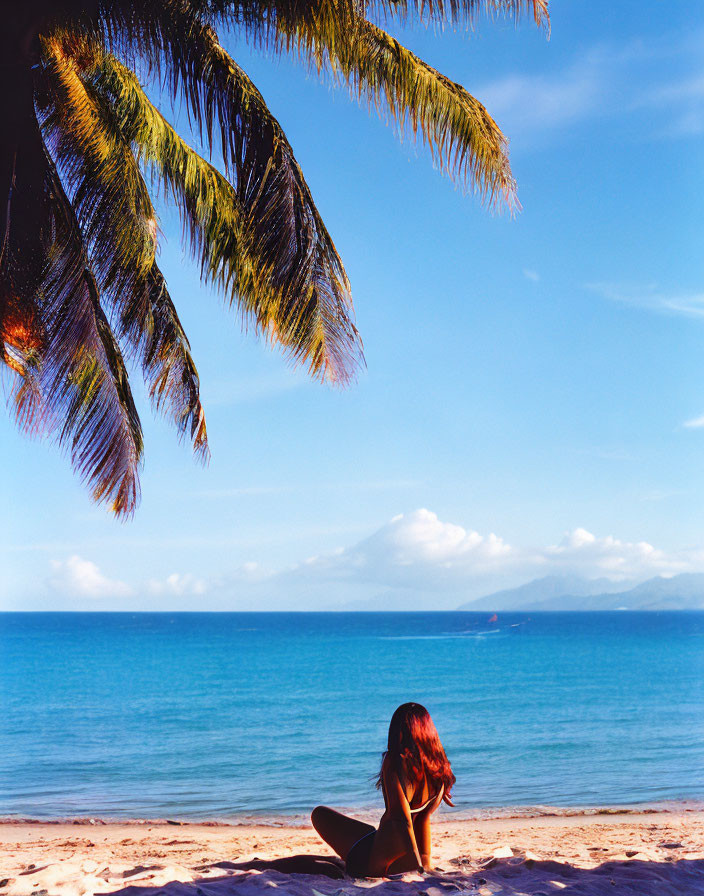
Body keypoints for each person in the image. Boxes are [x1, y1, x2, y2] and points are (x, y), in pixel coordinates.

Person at [232, 702, 454, 880]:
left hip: (375, 862)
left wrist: (414, 866)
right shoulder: (438, 767)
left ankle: (256, 865)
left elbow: (401, 819)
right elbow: (422, 820)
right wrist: (425, 864)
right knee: (338, 858)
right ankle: (259, 864)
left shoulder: (396, 761)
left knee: (319, 816)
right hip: (386, 849)